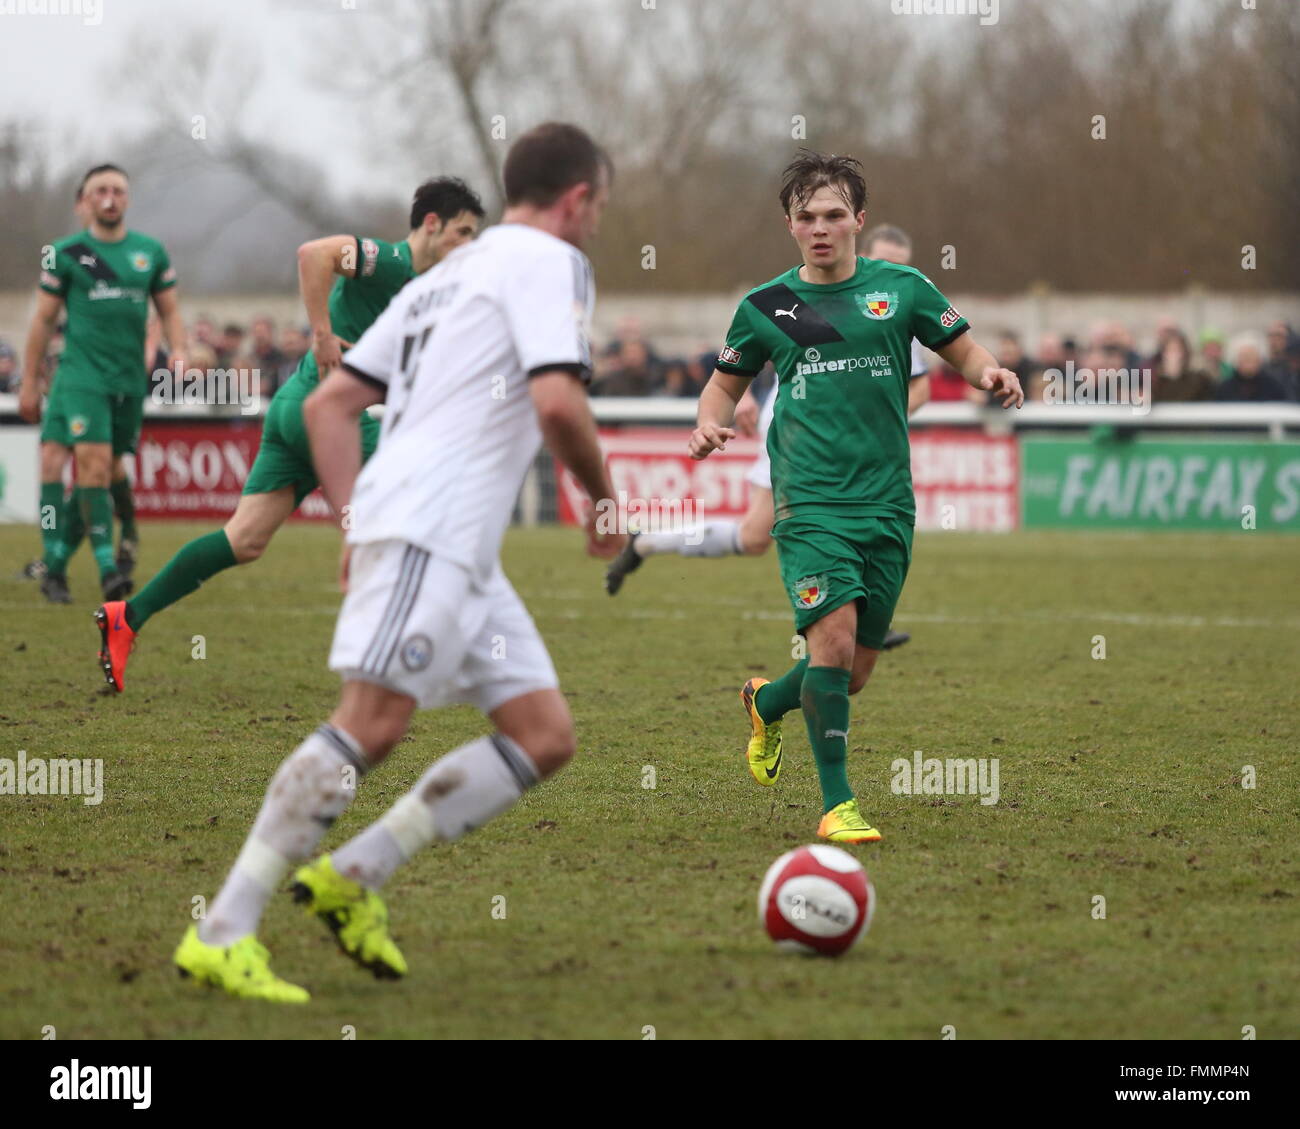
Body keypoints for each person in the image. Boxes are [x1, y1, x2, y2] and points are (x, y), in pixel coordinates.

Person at [172, 122, 623, 1003]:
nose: (598, 222)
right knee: (370, 724)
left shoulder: (443, 277)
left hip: (445, 542)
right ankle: (222, 927)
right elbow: (561, 403)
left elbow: (332, 405)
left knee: (543, 736)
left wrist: (353, 519)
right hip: (430, 527)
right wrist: (602, 498)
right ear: (576, 200)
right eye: (599, 205)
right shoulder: (551, 262)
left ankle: (355, 872)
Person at [689, 150, 1021, 845]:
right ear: (790, 224)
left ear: (858, 220)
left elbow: (963, 352)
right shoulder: (768, 305)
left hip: (888, 504)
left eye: (834, 214)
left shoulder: (900, 289)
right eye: (806, 216)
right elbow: (723, 385)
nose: (820, 227)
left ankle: (766, 701)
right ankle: (839, 804)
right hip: (807, 501)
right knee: (832, 643)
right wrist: (709, 419)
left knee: (852, 668)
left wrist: (992, 374)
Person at [94, 177, 484, 693]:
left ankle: (127, 618)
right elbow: (312, 254)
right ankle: (397, 662)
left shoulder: (430, 291)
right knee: (400, 518)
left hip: (294, 411)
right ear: (431, 224)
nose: (469, 245)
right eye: (463, 232)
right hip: (324, 418)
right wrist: (322, 335)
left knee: (244, 540)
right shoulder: (389, 260)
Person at [604, 221, 931, 657]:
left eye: (902, 266)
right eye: (886, 261)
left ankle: (645, 542)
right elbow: (775, 349)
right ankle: (849, 616)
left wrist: (875, 421)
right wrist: (747, 394)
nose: (893, 273)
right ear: (863, 251)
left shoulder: (902, 305)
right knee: (789, 526)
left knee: (756, 535)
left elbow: (921, 386)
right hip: (800, 433)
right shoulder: (816, 294)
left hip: (854, 442)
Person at [18, 164, 186, 604]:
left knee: (109, 471)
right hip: (80, 377)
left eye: (117, 190)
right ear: (84, 201)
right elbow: (42, 319)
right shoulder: (66, 252)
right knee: (70, 463)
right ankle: (108, 569)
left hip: (128, 380)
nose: (110, 197)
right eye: (100, 191)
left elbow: (169, 310)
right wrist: (30, 381)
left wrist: (181, 351)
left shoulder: (150, 251)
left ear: (127, 199)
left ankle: (56, 566)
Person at [1214, 342, 1286, 402]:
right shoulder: (1225, 388)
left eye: (1252, 358)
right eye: (1245, 358)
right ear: (1237, 362)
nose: (1248, 363)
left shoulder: (1272, 387)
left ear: (1259, 361)